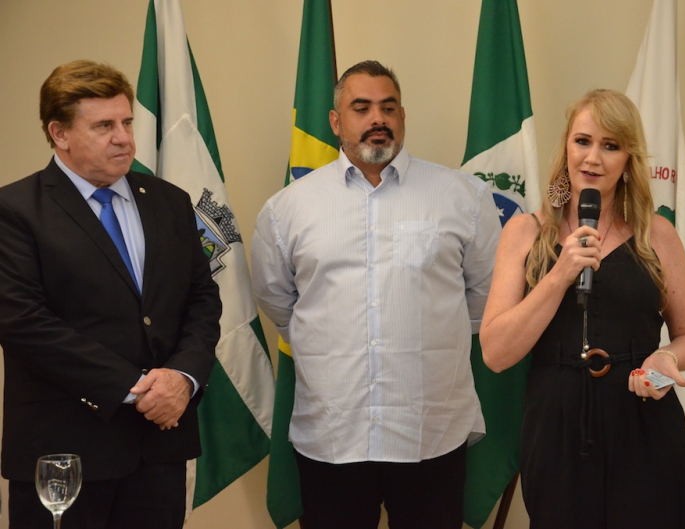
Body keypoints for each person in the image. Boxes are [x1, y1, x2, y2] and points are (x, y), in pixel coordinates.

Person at [251, 60, 501, 529]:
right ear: (335, 121)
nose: (377, 119)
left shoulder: (463, 197)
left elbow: (483, 299)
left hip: (430, 436)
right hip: (333, 437)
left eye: (388, 107)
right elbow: (279, 301)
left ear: (402, 116)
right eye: (361, 107)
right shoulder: (288, 209)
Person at [0, 60, 222, 528]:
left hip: (158, 449)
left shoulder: (169, 201)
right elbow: (22, 323)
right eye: (104, 126)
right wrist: (136, 389)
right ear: (59, 133)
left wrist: (182, 378)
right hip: (65, 453)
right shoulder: (14, 210)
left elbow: (202, 300)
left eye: (126, 122)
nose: (124, 138)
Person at [480, 89, 685, 528]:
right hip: (557, 431)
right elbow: (495, 353)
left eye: (610, 146)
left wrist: (665, 361)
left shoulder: (656, 234)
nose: (593, 158)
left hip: (645, 428)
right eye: (583, 141)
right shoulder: (525, 232)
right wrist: (560, 274)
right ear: (566, 146)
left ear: (628, 160)